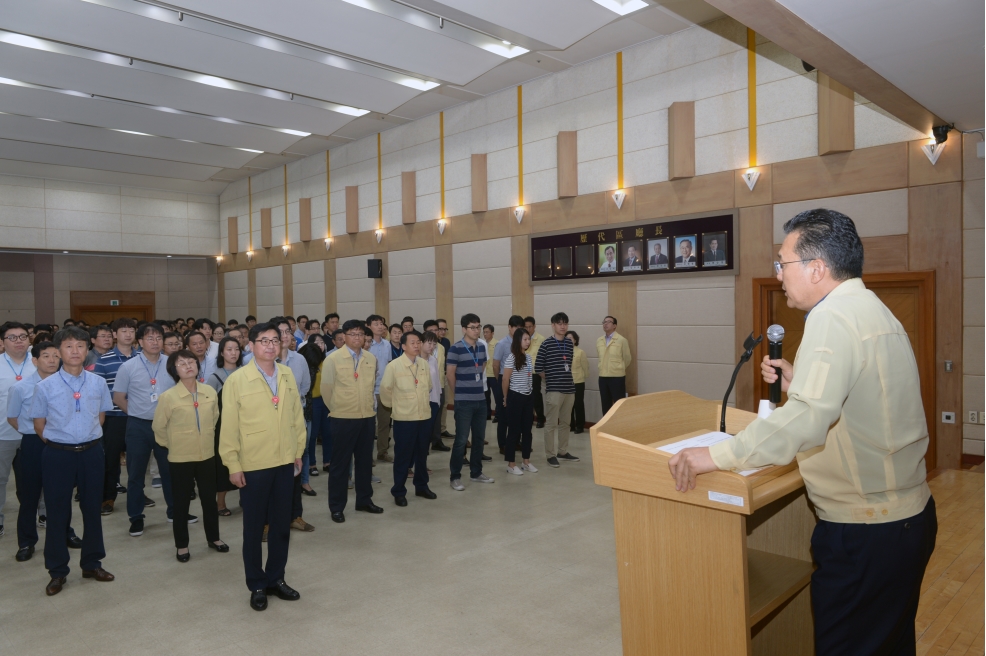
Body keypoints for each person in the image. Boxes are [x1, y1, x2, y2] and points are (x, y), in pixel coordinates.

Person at [668, 208, 937, 654]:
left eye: (783, 263)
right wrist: (802, 385)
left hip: (866, 530)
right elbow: (867, 401)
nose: (778, 275)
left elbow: (808, 420)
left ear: (817, 268)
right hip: (905, 519)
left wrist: (716, 456)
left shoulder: (831, 317)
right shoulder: (874, 310)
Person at [219, 322, 306, 611]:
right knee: (254, 528)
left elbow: (296, 415)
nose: (270, 345)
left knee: (281, 526)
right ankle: (256, 583)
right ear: (251, 345)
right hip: (254, 464)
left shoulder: (287, 374)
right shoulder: (237, 380)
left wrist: (298, 451)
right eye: (263, 340)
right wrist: (233, 463)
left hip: (284, 461)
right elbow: (229, 427)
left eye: (275, 340)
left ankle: (276, 579)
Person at [30, 327, 115, 596]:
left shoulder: (98, 382)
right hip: (58, 454)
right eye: (68, 346)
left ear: (86, 349)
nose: (75, 351)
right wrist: (63, 442)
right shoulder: (45, 386)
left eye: (80, 346)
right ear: (58, 351)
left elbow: (101, 417)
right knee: (57, 513)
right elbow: (40, 426)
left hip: (91, 453)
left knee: (92, 509)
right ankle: (57, 571)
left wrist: (85, 440)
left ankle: (92, 563)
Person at [113, 323, 190, 536]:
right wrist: (139, 413)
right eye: (149, 338)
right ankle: (136, 517)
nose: (155, 342)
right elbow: (118, 398)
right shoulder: (128, 367)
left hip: (167, 426)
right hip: (138, 426)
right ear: (139, 342)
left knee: (171, 471)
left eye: (158, 338)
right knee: (136, 474)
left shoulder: (172, 364)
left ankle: (175, 511)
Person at [9, 341, 82, 562]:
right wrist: (35, 433)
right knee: (29, 495)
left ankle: (65, 533)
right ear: (35, 360)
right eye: (46, 356)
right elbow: (13, 418)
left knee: (60, 494)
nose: (52, 360)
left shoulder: (69, 384)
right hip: (33, 443)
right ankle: (27, 542)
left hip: (62, 443)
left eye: (55, 356)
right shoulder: (20, 387)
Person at [153, 350, 226, 562]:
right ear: (174, 370)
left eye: (191, 361)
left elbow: (214, 419)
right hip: (180, 458)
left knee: (209, 501)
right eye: (182, 363)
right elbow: (159, 429)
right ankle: (182, 545)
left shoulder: (209, 392)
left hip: (207, 455)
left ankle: (214, 538)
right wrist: (174, 445)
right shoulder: (168, 397)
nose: (188, 366)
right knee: (181, 503)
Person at [321, 320, 383, 523]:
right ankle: (337, 506)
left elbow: (372, 385)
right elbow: (326, 390)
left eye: (360, 334)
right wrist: (339, 408)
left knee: (365, 463)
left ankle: (364, 500)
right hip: (343, 418)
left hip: (366, 417)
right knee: (340, 465)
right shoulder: (333, 359)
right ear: (344, 336)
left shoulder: (371, 358)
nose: (357, 337)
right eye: (352, 334)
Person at [379, 330, 437, 506]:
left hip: (424, 416)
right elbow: (385, 392)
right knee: (403, 456)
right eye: (413, 342)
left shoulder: (424, 364)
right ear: (403, 346)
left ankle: (421, 486)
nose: (417, 345)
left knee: (421, 454)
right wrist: (399, 406)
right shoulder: (394, 366)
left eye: (419, 342)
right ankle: (398, 490)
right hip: (404, 418)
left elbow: (428, 386)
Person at [92, 318, 137, 516]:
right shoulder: (104, 359)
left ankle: (137, 494)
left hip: (138, 417)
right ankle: (108, 497)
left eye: (131, 330)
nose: (128, 334)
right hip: (114, 417)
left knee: (138, 459)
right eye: (123, 330)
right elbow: (99, 390)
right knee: (110, 460)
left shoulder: (143, 357)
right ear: (115, 334)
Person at [446, 313, 494, 490]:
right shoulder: (455, 348)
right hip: (463, 401)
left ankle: (476, 472)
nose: (477, 330)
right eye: (473, 327)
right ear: (464, 329)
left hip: (480, 400)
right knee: (461, 440)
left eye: (478, 327)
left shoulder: (481, 347)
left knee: (479, 438)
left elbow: (481, 367)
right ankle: (455, 476)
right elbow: (450, 374)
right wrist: (458, 393)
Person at [1, 322, 36, 538]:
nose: (18, 341)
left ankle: (42, 514)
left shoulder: (38, 362)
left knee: (35, 478)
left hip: (34, 432)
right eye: (12, 337)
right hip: (3, 433)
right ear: (2, 342)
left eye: (22, 336)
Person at [535, 312, 580, 468]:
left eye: (565, 323)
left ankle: (562, 451)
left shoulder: (569, 344)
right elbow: (538, 367)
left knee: (566, 423)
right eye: (560, 323)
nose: (563, 326)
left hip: (569, 388)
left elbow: (567, 363)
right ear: (553, 325)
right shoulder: (546, 344)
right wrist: (551, 380)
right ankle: (550, 454)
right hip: (554, 389)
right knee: (551, 423)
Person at [206, 336, 243, 517]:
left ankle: (247, 498)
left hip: (245, 425)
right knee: (223, 466)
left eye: (236, 349)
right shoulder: (214, 377)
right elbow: (208, 407)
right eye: (229, 349)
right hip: (222, 427)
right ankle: (220, 502)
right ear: (221, 353)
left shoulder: (246, 373)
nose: (233, 353)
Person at [500, 329, 538, 476]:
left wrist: (530, 394)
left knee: (527, 431)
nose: (528, 342)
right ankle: (511, 464)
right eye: (525, 339)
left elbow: (529, 377)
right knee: (514, 431)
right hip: (515, 397)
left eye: (529, 339)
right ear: (518, 341)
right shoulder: (511, 357)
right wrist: (505, 397)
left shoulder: (528, 357)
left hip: (528, 397)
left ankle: (526, 461)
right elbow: (505, 379)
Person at [297, 334, 326, 496]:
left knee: (306, 447)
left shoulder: (314, 366)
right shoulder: (298, 366)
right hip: (295, 413)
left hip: (307, 412)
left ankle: (305, 482)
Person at [492, 316, 524, 453]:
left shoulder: (523, 343)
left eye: (520, 327)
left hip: (518, 381)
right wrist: (501, 381)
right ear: (509, 327)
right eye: (515, 327)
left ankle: (515, 442)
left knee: (517, 414)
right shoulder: (502, 344)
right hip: (504, 380)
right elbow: (495, 365)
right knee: (504, 414)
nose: (518, 330)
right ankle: (503, 444)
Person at [367, 315, 394, 463]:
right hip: (370, 390)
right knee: (370, 426)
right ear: (368, 326)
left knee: (384, 424)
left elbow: (389, 364)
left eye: (381, 323)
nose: (380, 326)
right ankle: (367, 455)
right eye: (376, 324)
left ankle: (382, 452)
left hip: (384, 389)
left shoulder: (387, 344)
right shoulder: (366, 345)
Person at [596, 316, 631, 416]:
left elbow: (627, 359)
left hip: (617, 377)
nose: (605, 324)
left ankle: (619, 428)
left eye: (608, 322)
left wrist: (618, 368)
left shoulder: (621, 340)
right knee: (605, 403)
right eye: (604, 322)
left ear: (614, 326)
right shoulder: (599, 340)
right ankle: (606, 427)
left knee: (618, 404)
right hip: (603, 377)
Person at [523, 317, 546, 428]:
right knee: (526, 396)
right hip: (523, 372)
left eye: (530, 326)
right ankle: (529, 418)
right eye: (526, 327)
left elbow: (544, 357)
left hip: (535, 372)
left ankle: (540, 418)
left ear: (534, 326)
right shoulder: (521, 338)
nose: (528, 329)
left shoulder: (541, 339)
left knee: (536, 396)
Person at [567, 331, 589, 434]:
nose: (568, 340)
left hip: (578, 382)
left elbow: (585, 368)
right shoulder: (563, 352)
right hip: (566, 382)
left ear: (575, 340)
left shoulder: (580, 352)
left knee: (578, 404)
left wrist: (583, 377)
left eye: (570, 338)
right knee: (568, 405)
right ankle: (570, 425)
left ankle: (580, 425)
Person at [482, 324, 497, 420]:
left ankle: (498, 414)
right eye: (484, 332)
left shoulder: (497, 344)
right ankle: (487, 413)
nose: (485, 334)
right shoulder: (482, 344)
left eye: (487, 332)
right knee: (486, 396)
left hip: (494, 374)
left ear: (492, 333)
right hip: (484, 374)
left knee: (497, 396)